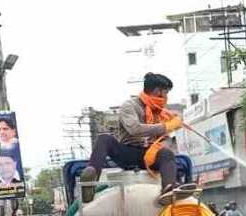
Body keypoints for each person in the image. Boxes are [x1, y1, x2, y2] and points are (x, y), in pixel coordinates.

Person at [80, 73, 191, 205]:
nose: (166, 98)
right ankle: (90, 179)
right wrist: (165, 126)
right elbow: (135, 129)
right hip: (129, 152)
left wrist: (171, 126)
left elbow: (164, 138)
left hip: (150, 154)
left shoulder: (160, 112)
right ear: (157, 91)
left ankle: (169, 188)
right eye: (165, 93)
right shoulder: (129, 106)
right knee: (104, 139)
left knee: (167, 153)